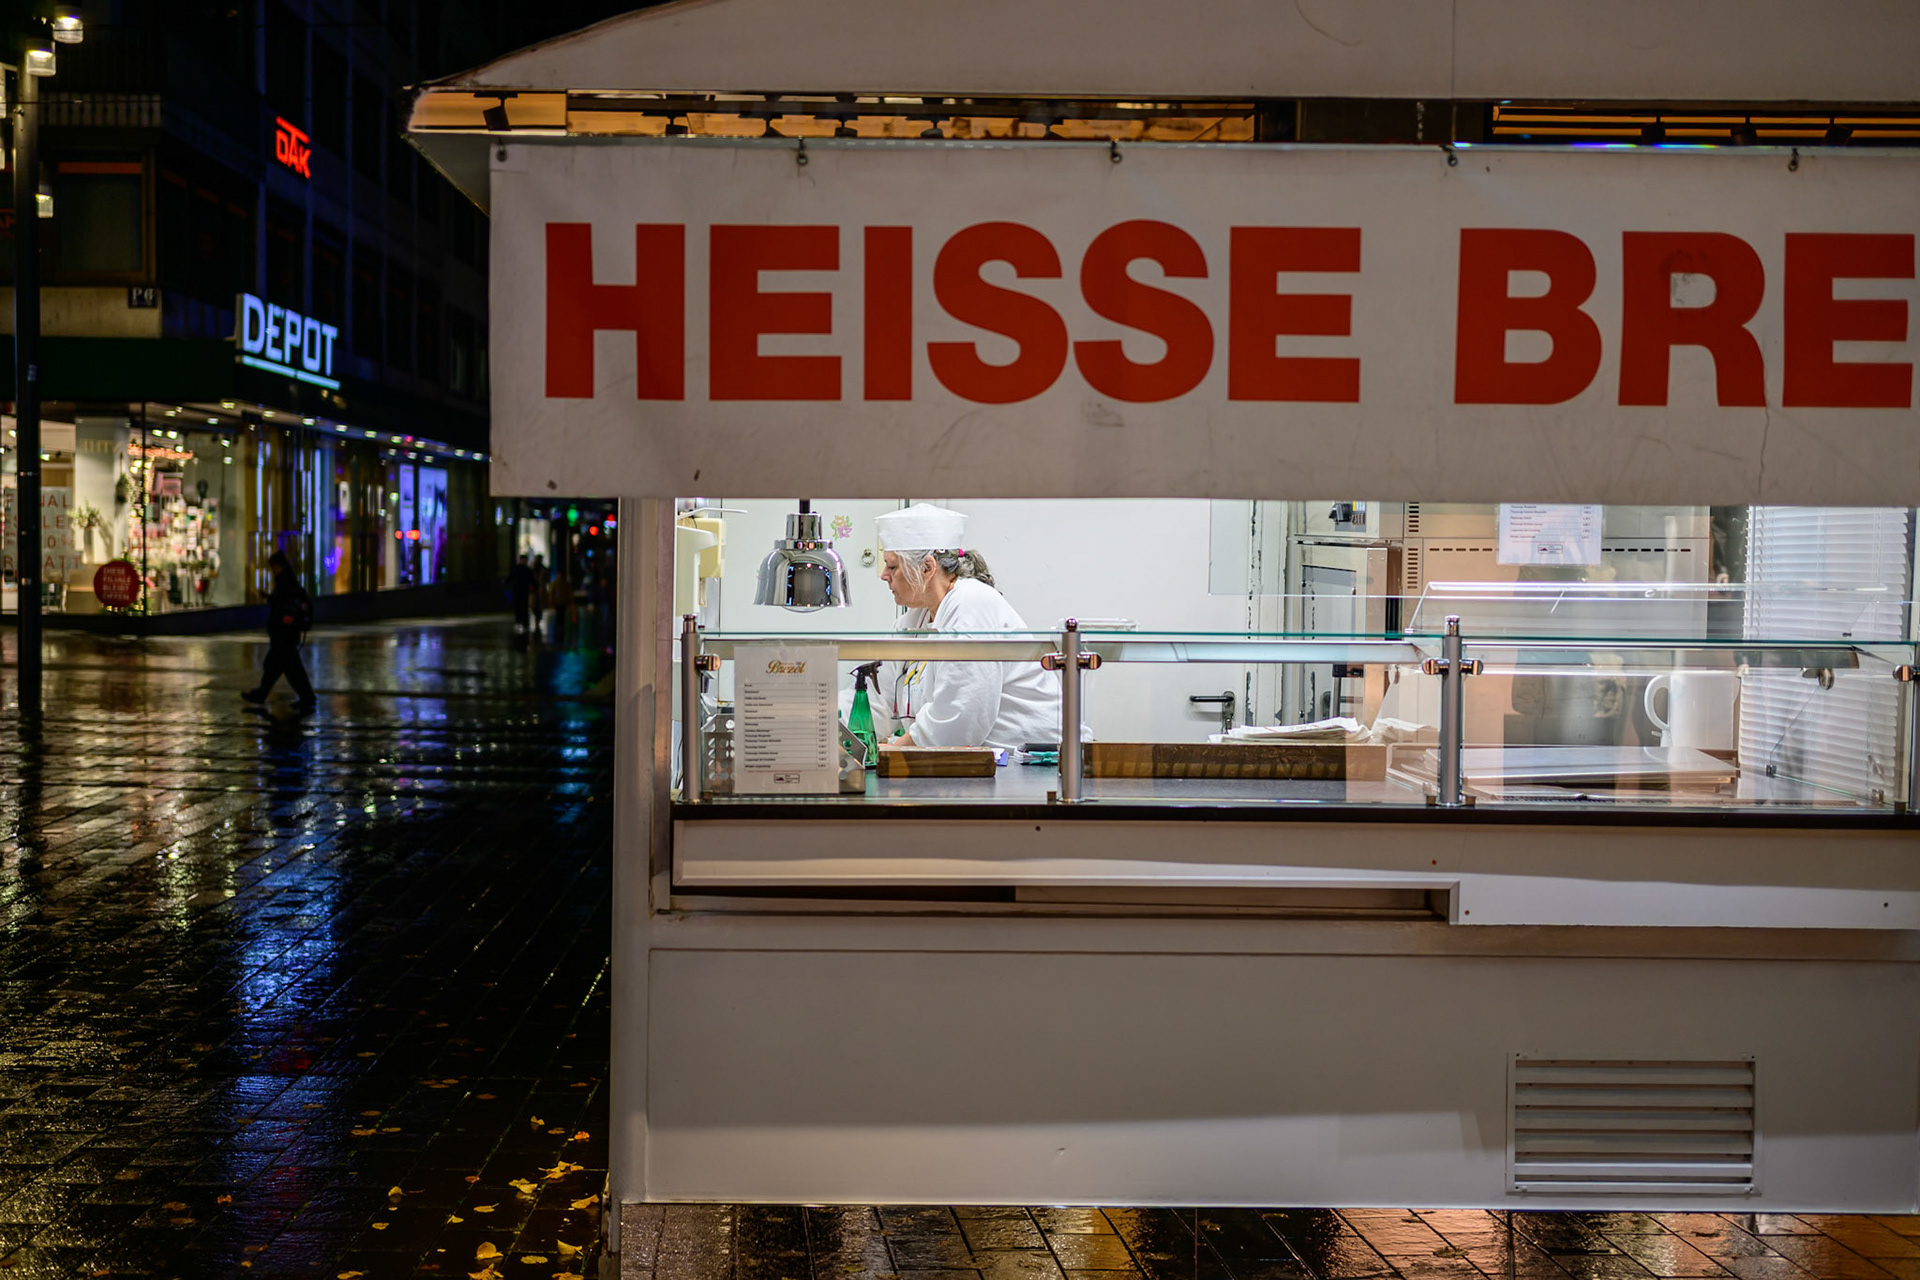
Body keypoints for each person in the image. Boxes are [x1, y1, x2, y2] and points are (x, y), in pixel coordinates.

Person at [867, 503, 1062, 751]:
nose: (884, 575)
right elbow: (878, 700)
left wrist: (892, 752)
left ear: (927, 568)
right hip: (974, 761)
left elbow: (957, 722)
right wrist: (831, 724)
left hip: (1036, 762)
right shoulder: (913, 621)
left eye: (892, 566)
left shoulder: (972, 604)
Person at [243, 550, 316, 711]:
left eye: (272, 567)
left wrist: (270, 599)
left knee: (286, 667)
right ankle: (263, 694)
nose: (272, 570)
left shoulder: (284, 582)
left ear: (278, 566)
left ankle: (306, 698)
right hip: (286, 634)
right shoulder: (289, 581)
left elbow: (282, 604)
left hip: (284, 634)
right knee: (278, 666)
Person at [507, 554, 534, 632]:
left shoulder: (518, 569)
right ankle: (523, 623)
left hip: (518, 591)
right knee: (523, 608)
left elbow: (510, 577)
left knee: (519, 608)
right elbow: (532, 579)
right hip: (522, 592)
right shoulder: (526, 569)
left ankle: (520, 622)